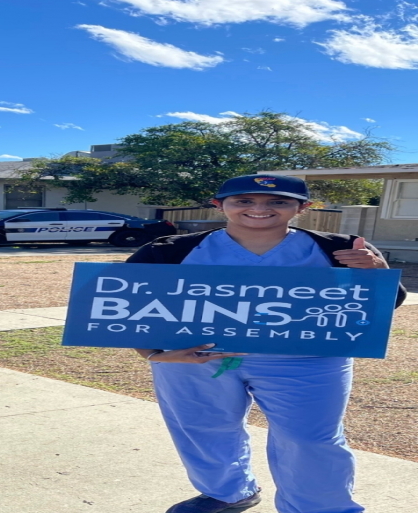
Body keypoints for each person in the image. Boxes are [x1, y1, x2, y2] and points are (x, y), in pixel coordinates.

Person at [126, 174, 407, 513]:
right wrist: (155, 354)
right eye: (244, 200)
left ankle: (321, 507)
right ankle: (227, 492)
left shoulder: (339, 247)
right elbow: (120, 306)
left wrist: (377, 270)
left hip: (307, 359)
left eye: (278, 201)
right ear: (219, 205)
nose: (259, 208)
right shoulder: (169, 250)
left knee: (310, 439)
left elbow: (385, 302)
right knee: (201, 428)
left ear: (301, 207)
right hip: (199, 358)